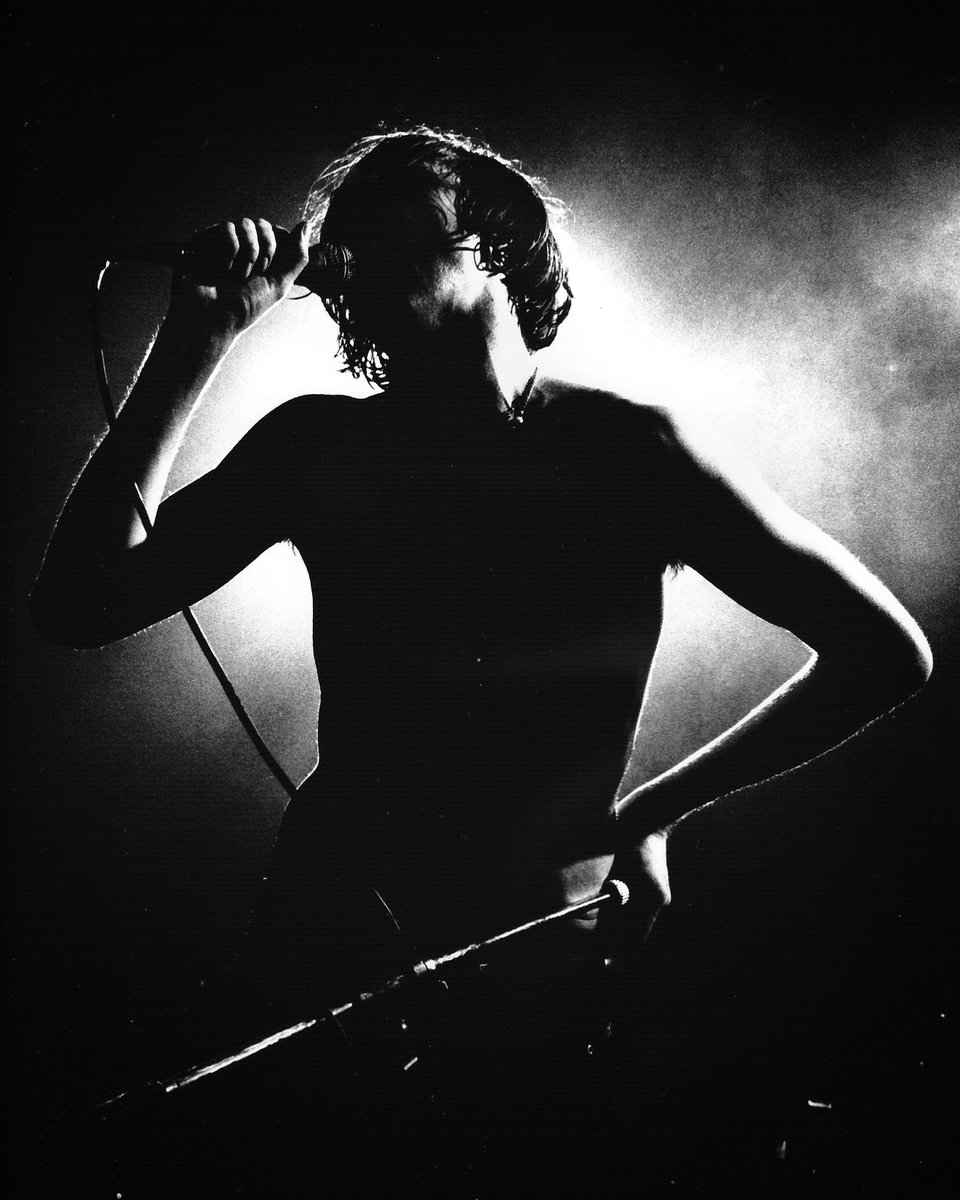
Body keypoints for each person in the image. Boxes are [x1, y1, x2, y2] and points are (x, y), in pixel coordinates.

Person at [31, 127, 932, 1193]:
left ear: (496, 247)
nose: (341, 248)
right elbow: (78, 606)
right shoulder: (317, 445)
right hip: (324, 927)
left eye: (382, 217)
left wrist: (652, 811)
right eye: (338, 229)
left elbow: (885, 651)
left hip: (530, 957)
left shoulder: (625, 451)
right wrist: (197, 343)